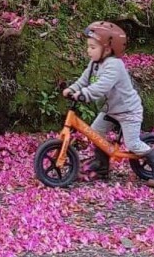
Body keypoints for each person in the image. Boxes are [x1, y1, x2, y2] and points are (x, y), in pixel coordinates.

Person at [64, 21, 149, 177]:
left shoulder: (114, 65)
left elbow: (102, 86)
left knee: (133, 144)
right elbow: (84, 80)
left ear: (108, 49)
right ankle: (102, 165)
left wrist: (85, 94)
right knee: (95, 132)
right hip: (110, 110)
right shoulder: (94, 64)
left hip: (128, 111)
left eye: (93, 47)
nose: (89, 50)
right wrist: (73, 89)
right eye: (88, 46)